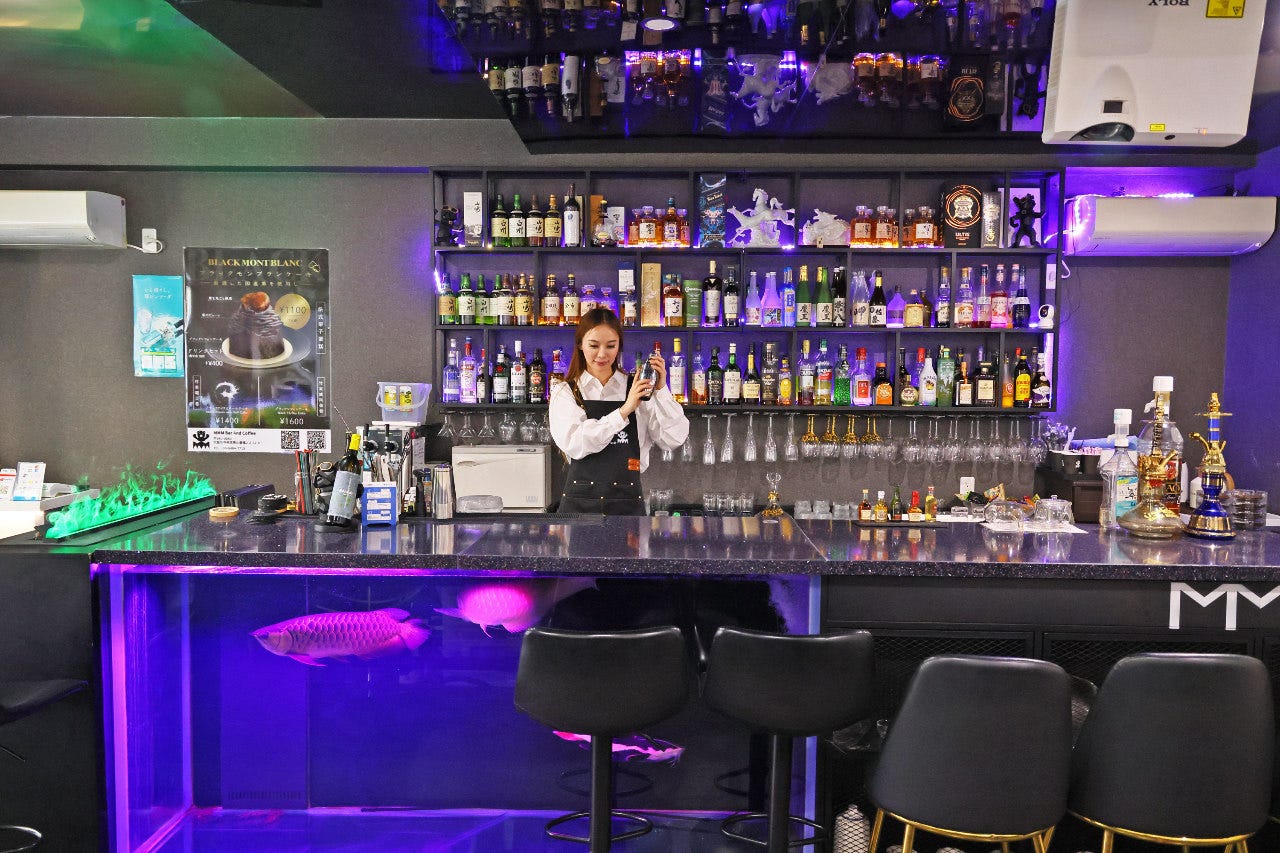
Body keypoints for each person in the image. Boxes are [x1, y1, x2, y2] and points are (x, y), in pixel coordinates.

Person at [549, 307, 689, 515]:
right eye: (594, 345)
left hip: (627, 505)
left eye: (611, 346)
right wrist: (624, 411)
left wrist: (661, 390)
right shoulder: (565, 391)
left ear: (619, 347)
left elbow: (673, 439)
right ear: (580, 345)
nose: (602, 354)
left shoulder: (637, 387)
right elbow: (576, 443)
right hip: (579, 508)